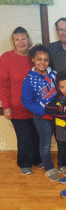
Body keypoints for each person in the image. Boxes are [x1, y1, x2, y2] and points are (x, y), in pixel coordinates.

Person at [0, 27, 42, 175]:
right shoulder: (6, 58)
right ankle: (24, 162)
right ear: (13, 42)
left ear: (28, 39)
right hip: (17, 107)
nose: (21, 42)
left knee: (37, 134)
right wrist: (6, 107)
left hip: (36, 106)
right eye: (17, 39)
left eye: (23, 38)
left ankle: (37, 159)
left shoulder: (35, 56)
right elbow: (3, 85)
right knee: (24, 137)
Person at [21, 44, 59, 181]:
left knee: (61, 140)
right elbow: (26, 101)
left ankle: (61, 165)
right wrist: (43, 111)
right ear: (33, 60)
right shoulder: (29, 79)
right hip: (41, 117)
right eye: (39, 59)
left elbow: (60, 92)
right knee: (46, 144)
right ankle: (49, 168)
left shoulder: (54, 75)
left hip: (57, 115)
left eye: (45, 60)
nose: (42, 63)